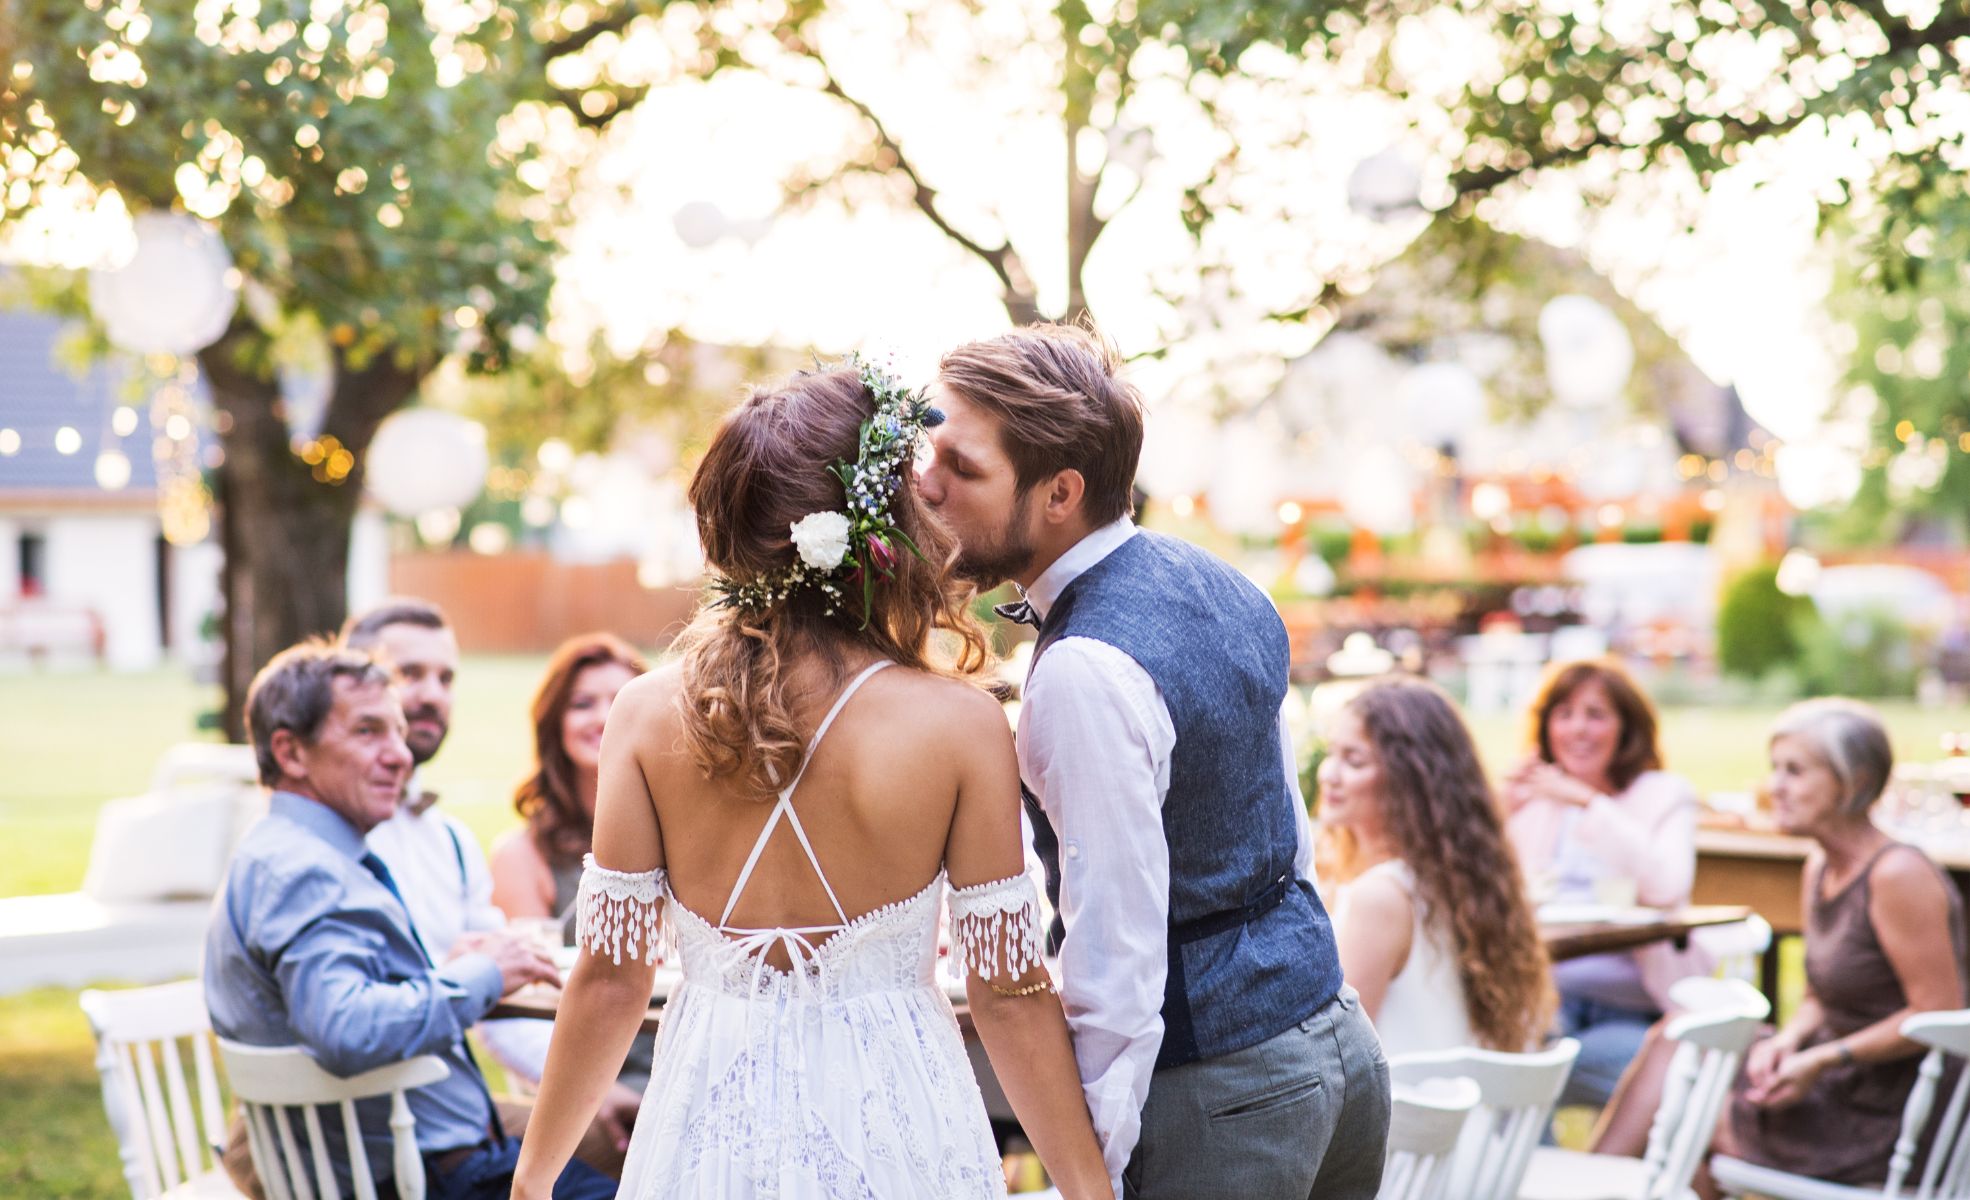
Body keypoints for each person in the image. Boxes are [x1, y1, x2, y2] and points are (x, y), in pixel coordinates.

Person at [510, 357, 1112, 1200]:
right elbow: (1008, 993)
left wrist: (532, 1179)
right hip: (897, 1119)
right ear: (882, 527)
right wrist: (1088, 1185)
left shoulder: (646, 715)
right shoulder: (958, 724)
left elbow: (611, 980)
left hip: (706, 1125)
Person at [920, 324, 1390, 1200]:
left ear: (1060, 492)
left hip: (1222, 1096)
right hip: (1340, 1047)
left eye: (965, 467)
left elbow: (1116, 952)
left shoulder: (1083, 670)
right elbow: (1287, 843)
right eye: (929, 449)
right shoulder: (1220, 580)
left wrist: (1089, 1166)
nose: (927, 483)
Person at [204, 640, 612, 1200]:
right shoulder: (306, 870)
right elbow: (346, 1029)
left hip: (431, 1159)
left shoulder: (292, 852)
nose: (399, 755)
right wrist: (483, 974)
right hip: (422, 1177)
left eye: (398, 732)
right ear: (292, 753)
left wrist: (453, 972)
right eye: (369, 731)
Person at [1594, 698, 1967, 1193]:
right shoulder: (1821, 865)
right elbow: (1819, 994)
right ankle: (1591, 1181)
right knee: (1679, 1036)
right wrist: (1791, 1041)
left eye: (1795, 771)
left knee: (1692, 1116)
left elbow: (1938, 1012)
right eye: (1775, 769)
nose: (1775, 787)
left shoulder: (1897, 875)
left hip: (1883, 1111)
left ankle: (1587, 1184)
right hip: (1833, 1075)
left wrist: (1824, 1058)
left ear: (1851, 782)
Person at [347, 602, 643, 1164]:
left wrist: (591, 1091)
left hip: (447, 1103)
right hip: (379, 1122)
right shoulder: (334, 843)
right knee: (616, 1152)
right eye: (409, 673)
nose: (433, 693)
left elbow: (505, 995)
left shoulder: (450, 842)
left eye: (446, 677)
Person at [1318, 675, 1554, 1058]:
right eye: (1333, 753)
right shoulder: (1457, 878)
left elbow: (1338, 1058)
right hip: (1455, 1109)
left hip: (1405, 1113)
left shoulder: (1380, 897)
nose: (1329, 773)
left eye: (1354, 760)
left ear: (1407, 779)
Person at [1503, 658, 1701, 1106]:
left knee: (1522, 1078)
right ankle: (1533, 1171)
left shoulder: (1663, 794)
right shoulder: (1535, 802)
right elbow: (1492, 894)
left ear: (1626, 728)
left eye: (1596, 715)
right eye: (1565, 714)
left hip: (1636, 1006)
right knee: (1511, 1056)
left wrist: (1590, 802)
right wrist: (1499, 808)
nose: (1579, 730)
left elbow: (1666, 887)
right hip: (1550, 997)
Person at [489, 635, 657, 1099]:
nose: (605, 718)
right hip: (590, 1087)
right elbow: (529, 1005)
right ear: (555, 724)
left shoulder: (685, 838)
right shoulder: (521, 858)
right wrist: (599, 1096)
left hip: (680, 1067)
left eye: (621, 701)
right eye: (583, 703)